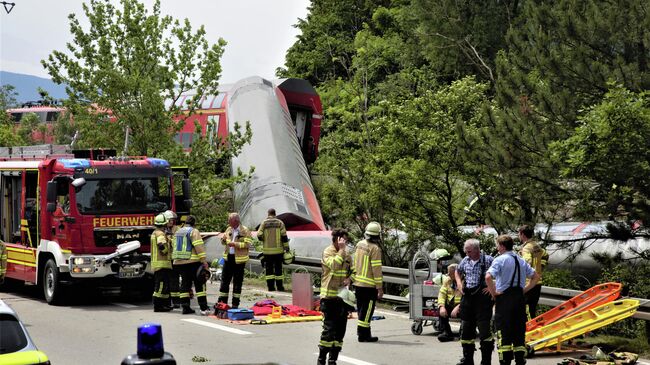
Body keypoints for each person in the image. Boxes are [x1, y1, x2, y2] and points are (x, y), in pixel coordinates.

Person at [486, 235, 539, 365]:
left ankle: (505, 361)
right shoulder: (520, 260)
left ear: (502, 246)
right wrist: (524, 290)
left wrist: (494, 293)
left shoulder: (499, 260)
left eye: (498, 245)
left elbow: (488, 277)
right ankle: (520, 360)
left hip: (504, 299)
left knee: (504, 331)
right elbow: (536, 277)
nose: (497, 248)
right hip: (519, 300)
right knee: (519, 331)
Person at [455, 239, 495, 365]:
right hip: (468, 298)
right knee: (466, 330)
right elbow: (457, 271)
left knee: (484, 331)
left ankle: (486, 361)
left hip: (482, 300)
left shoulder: (488, 260)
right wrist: (459, 283)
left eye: (469, 251)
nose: (467, 254)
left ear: (477, 249)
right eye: (466, 252)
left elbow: (501, 274)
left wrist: (492, 288)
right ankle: (467, 360)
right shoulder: (465, 260)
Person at [318, 228, 353, 365]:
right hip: (329, 298)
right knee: (329, 330)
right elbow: (333, 264)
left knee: (340, 332)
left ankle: (333, 360)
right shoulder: (328, 252)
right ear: (336, 240)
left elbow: (354, 269)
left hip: (342, 299)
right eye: (343, 240)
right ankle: (321, 359)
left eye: (346, 240)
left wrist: (350, 278)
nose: (345, 242)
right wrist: (342, 250)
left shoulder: (346, 253)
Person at [352, 221, 384, 342]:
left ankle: (361, 333)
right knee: (368, 311)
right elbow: (376, 269)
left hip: (358, 284)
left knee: (361, 309)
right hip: (369, 286)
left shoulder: (360, 244)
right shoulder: (375, 249)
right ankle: (364, 335)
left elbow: (354, 263)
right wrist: (379, 287)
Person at [172, 215, 210, 315]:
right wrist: (204, 261)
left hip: (179, 262)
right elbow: (199, 246)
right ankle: (203, 307)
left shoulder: (178, 232)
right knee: (199, 285)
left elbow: (173, 246)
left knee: (185, 285)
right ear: (194, 223)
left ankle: (185, 307)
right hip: (192, 261)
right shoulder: (194, 231)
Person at [218, 212, 252, 309]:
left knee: (237, 283)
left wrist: (235, 244)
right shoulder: (229, 229)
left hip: (239, 261)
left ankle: (235, 304)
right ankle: (222, 303)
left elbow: (248, 244)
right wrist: (223, 240)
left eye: (230, 220)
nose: (228, 222)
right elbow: (223, 242)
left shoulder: (245, 230)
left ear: (236, 221)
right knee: (224, 282)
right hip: (228, 258)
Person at [518, 224, 548, 319]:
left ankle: (529, 331)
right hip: (538, 281)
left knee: (526, 310)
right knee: (532, 309)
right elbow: (546, 255)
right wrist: (540, 267)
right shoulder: (537, 246)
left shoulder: (526, 248)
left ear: (522, 234)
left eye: (519, 234)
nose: (519, 236)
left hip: (528, 283)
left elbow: (527, 262)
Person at [257, 208, 289, 291]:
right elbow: (284, 237)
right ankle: (280, 287)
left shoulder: (264, 223)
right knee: (279, 269)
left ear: (268, 214)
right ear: (275, 214)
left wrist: (265, 239)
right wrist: (286, 248)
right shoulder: (280, 223)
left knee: (269, 270)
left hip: (267, 251)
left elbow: (259, 235)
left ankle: (271, 287)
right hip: (278, 251)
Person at [150, 213, 173, 312]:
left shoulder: (155, 232)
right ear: (164, 224)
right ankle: (158, 306)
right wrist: (165, 250)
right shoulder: (160, 234)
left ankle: (165, 305)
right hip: (162, 264)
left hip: (158, 264)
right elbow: (161, 245)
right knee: (161, 286)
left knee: (163, 285)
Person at [437, 263, 462, 342]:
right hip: (451, 305)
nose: (448, 275)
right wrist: (441, 306)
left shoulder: (465, 281)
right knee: (441, 311)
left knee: (467, 310)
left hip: (462, 306)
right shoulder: (447, 280)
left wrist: (458, 307)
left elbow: (468, 297)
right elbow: (442, 293)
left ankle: (464, 333)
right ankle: (446, 333)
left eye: (450, 273)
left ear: (456, 273)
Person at [163, 210, 182, 308]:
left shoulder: (177, 229)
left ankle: (176, 301)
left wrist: (170, 238)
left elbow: (177, 243)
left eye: (172, 220)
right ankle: (167, 301)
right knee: (166, 280)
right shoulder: (161, 230)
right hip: (165, 259)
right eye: (170, 220)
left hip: (174, 259)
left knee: (174, 280)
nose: (171, 222)